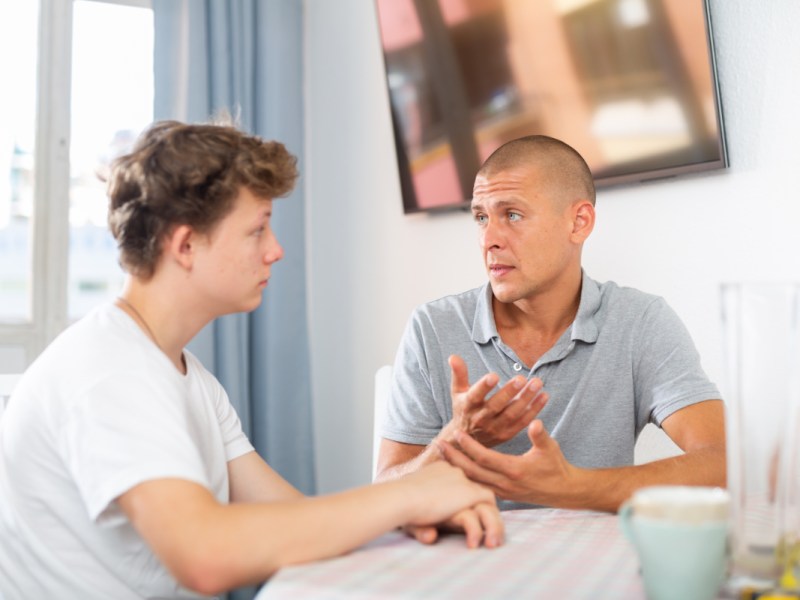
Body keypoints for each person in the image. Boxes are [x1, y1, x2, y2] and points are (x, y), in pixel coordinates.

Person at [0, 120, 503, 599]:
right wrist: (409, 497)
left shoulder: (184, 376)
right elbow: (205, 555)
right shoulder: (109, 372)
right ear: (186, 244)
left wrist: (414, 501)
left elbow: (291, 518)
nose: (276, 250)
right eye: (258, 229)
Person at [375, 135, 725, 513]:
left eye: (512, 214)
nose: (488, 240)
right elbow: (385, 490)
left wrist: (572, 488)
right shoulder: (433, 327)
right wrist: (458, 438)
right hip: (470, 558)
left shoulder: (639, 321)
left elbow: (723, 461)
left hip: (592, 563)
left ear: (579, 222)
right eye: (481, 217)